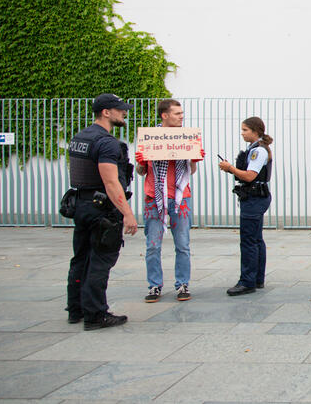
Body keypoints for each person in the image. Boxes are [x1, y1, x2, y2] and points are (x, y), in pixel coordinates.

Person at [65, 94, 138, 330]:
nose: (124, 113)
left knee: (81, 258)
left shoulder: (80, 137)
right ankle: (95, 315)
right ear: (106, 112)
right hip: (102, 210)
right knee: (100, 261)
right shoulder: (106, 142)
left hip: (81, 205)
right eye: (120, 110)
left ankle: (75, 309)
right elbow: (111, 182)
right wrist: (127, 213)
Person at [134, 99, 204, 303]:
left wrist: (194, 159)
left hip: (181, 197)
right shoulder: (150, 138)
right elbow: (141, 171)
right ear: (164, 115)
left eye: (182, 113)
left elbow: (191, 170)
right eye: (177, 114)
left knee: (182, 244)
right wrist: (140, 161)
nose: (181, 117)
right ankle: (154, 285)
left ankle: (183, 283)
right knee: (153, 245)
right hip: (153, 197)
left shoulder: (186, 137)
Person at [218, 117, 273, 296]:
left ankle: (247, 281)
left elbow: (250, 176)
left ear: (255, 131)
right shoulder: (256, 149)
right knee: (256, 239)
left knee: (249, 240)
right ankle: (257, 278)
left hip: (254, 198)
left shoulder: (259, 151)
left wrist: (230, 168)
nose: (242, 133)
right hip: (256, 197)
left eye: (245, 130)